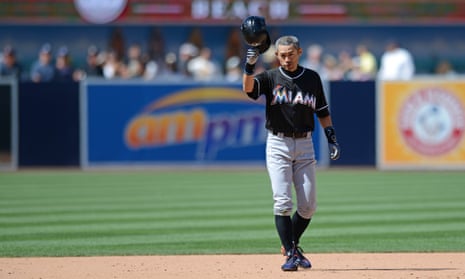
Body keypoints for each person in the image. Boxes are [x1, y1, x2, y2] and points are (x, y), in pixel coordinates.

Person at [242, 35, 341, 271]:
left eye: (290, 54)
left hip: (305, 144)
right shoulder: (270, 77)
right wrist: (248, 66)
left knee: (308, 206)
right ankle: (291, 254)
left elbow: (323, 112)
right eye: (282, 55)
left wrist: (331, 138)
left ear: (299, 52)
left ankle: (292, 246)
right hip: (278, 144)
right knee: (283, 202)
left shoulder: (312, 78)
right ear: (276, 56)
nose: (286, 59)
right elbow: (248, 90)